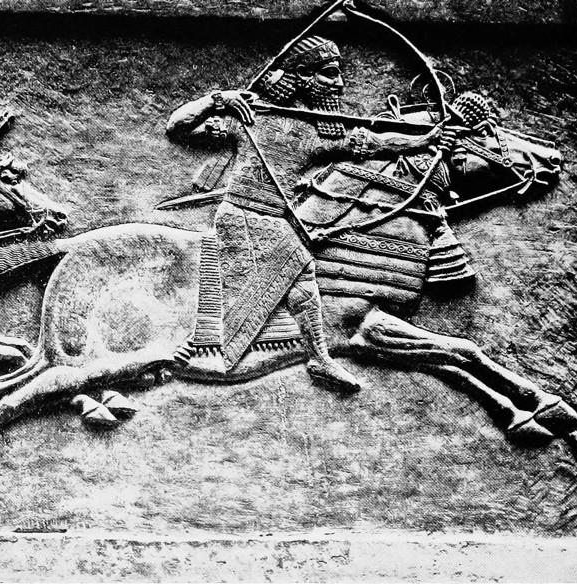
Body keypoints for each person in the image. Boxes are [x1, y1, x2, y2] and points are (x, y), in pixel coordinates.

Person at [166, 36, 448, 392]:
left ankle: (316, 358)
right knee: (283, 272)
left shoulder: (318, 135)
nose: (339, 84)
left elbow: (376, 144)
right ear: (302, 75)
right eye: (329, 74)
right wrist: (218, 99)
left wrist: (423, 140)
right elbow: (177, 127)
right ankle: (204, 343)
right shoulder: (250, 118)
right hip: (241, 213)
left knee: (302, 277)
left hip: (276, 217)